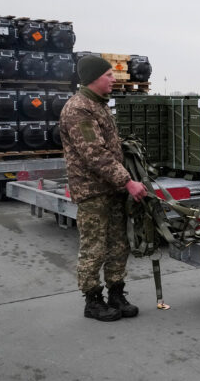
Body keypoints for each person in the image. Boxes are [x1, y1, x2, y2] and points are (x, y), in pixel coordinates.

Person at [60, 55, 148, 322]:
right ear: (93, 78)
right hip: (93, 191)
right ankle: (93, 299)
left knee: (118, 245)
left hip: (112, 189)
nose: (114, 79)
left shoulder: (98, 106)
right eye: (109, 75)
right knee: (95, 247)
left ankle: (116, 293)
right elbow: (94, 154)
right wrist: (128, 181)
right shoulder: (79, 109)